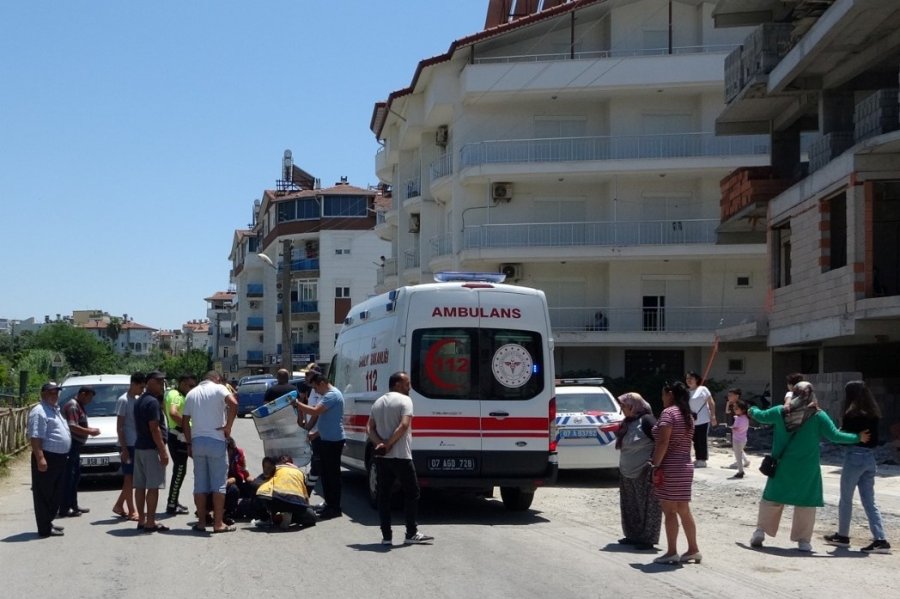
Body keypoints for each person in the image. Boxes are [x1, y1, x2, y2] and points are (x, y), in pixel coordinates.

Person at [748, 381, 868, 552]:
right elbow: (835, 435)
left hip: (782, 465)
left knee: (772, 498)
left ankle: (760, 532)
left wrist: (751, 410)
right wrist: (857, 437)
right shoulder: (818, 416)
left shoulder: (780, 411)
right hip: (807, 467)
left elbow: (760, 416)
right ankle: (803, 541)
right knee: (805, 503)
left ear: (794, 394)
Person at [824, 380, 892, 554]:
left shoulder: (851, 414)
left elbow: (841, 437)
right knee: (869, 501)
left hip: (854, 457)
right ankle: (880, 539)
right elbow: (874, 439)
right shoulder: (873, 414)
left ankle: (843, 535)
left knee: (846, 498)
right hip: (870, 459)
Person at [367, 371, 433, 546]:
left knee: (384, 496)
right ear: (396, 384)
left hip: (382, 459)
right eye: (406, 384)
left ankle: (386, 536)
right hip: (401, 456)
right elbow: (404, 425)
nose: (409, 387)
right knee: (412, 492)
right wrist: (388, 444)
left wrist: (379, 444)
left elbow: (369, 428)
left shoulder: (378, 402)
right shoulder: (405, 401)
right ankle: (411, 532)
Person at [649, 381, 701, 564]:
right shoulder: (687, 414)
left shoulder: (669, 413)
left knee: (669, 511)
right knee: (684, 510)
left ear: (669, 394)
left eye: (663, 394)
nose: (662, 398)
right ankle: (693, 549)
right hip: (685, 466)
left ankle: (671, 551)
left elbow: (663, 442)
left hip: (670, 467)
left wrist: (655, 464)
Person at [182, 370, 238, 533]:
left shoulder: (191, 394)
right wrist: (228, 426)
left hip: (197, 442)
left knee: (200, 484)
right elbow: (234, 404)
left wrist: (189, 443)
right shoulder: (219, 389)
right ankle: (218, 523)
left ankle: (201, 522)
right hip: (216, 440)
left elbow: (185, 421)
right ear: (217, 379)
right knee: (219, 484)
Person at [295, 371, 344, 519]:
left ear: (322, 383)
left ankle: (334, 507)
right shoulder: (327, 395)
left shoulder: (332, 395)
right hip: (326, 439)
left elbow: (315, 411)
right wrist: (314, 434)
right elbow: (324, 421)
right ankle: (329, 504)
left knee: (332, 476)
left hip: (333, 441)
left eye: (316, 388)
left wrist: (297, 403)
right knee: (327, 475)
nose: (315, 391)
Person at [614, 392, 660, 550]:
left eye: (624, 406)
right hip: (626, 471)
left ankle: (647, 539)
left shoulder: (647, 421)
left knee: (646, 507)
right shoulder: (627, 422)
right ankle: (632, 535)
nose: (622, 409)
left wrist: (654, 462)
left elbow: (661, 441)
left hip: (643, 472)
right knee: (630, 505)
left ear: (634, 406)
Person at [27, 382, 72, 538]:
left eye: (56, 392)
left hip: (59, 458)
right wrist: (40, 458)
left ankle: (48, 522)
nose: (55, 395)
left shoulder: (54, 409)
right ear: (43, 394)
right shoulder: (39, 411)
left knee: (55, 493)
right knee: (44, 494)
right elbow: (35, 437)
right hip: (47, 457)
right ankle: (44, 528)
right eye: (51, 392)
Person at [133, 370, 170, 533]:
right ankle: (150, 522)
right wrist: (162, 451)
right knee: (153, 487)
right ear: (150, 382)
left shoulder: (139, 400)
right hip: (150, 449)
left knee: (140, 486)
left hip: (140, 447)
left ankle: (142, 519)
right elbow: (154, 428)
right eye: (159, 382)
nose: (162, 385)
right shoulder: (153, 402)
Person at [59, 386, 100, 517]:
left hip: (76, 446)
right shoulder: (73, 406)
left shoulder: (79, 405)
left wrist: (89, 429)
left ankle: (73, 505)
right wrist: (90, 432)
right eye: (89, 397)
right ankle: (65, 507)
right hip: (71, 445)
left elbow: (79, 423)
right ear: (83, 394)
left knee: (75, 475)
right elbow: (72, 426)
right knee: (69, 477)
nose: (89, 401)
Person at [113, 372, 145, 520]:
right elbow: (119, 427)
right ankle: (132, 510)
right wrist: (124, 448)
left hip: (136, 443)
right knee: (129, 478)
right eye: (140, 387)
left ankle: (119, 505)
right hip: (128, 444)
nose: (142, 390)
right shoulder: (123, 401)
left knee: (132, 478)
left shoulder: (136, 400)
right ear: (133, 384)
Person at [164, 374, 197, 515]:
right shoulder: (177, 395)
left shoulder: (171, 393)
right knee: (179, 471)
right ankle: (171, 505)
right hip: (179, 437)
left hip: (175, 435)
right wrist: (186, 428)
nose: (192, 389)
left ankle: (174, 501)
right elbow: (172, 413)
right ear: (182, 383)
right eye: (190, 386)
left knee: (180, 471)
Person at [255, 456, 317, 530]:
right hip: (297, 502)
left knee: (260, 492)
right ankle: (290, 517)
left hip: (277, 500)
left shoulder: (276, 468)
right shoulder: (300, 473)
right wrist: (308, 509)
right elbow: (305, 497)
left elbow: (257, 483)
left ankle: (266, 519)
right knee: (311, 518)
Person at [685, 371, 716, 468]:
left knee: (702, 439)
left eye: (691, 378)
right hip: (692, 419)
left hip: (703, 419)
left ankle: (703, 459)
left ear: (696, 379)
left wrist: (713, 415)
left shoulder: (703, 389)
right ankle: (698, 458)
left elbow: (711, 402)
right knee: (694, 440)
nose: (689, 380)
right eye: (687, 378)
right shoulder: (686, 392)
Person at [298, 363, 322, 487]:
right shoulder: (310, 390)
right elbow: (308, 411)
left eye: (307, 374)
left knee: (316, 463)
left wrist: (308, 429)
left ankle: (308, 490)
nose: (305, 377)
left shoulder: (320, 391)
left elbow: (316, 413)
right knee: (315, 462)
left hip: (319, 433)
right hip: (312, 432)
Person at [722, 388, 750, 470]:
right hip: (733, 423)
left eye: (731, 395)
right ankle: (745, 460)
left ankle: (739, 461)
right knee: (736, 445)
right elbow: (727, 412)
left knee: (737, 445)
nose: (729, 397)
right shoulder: (731, 404)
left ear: (737, 396)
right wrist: (728, 403)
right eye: (728, 395)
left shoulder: (740, 404)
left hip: (740, 425)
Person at [728, 399, 750, 480]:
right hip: (743, 439)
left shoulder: (739, 419)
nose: (734, 410)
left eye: (736, 408)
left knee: (738, 456)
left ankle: (740, 471)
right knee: (740, 452)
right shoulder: (745, 418)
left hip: (737, 439)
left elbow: (736, 428)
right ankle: (746, 462)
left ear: (742, 410)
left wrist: (732, 427)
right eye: (734, 408)